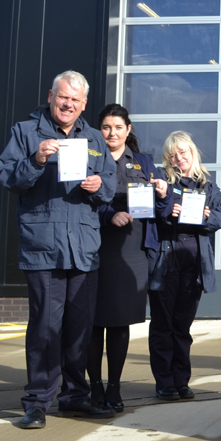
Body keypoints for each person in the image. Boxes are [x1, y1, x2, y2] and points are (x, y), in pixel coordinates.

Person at [0, 70, 117, 429]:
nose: (69, 105)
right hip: (43, 246)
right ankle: (37, 401)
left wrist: (98, 185)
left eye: (76, 101)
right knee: (45, 327)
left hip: (83, 246)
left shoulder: (94, 137)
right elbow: (7, 177)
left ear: (83, 104)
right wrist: (35, 160)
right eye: (63, 97)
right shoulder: (25, 131)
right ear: (51, 95)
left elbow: (110, 184)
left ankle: (75, 396)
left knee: (79, 328)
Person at [87, 104, 169, 411]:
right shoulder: (90, 158)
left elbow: (161, 211)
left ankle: (114, 387)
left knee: (120, 322)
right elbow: (76, 200)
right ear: (99, 130)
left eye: (118, 127)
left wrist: (162, 194)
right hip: (96, 246)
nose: (112, 133)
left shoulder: (144, 162)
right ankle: (95, 387)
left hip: (133, 250)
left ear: (128, 130)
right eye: (106, 127)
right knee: (94, 322)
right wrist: (109, 215)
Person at [148, 131, 221, 402]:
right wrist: (166, 208)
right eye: (173, 154)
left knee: (182, 326)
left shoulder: (208, 186)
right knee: (163, 325)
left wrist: (208, 217)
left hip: (195, 266)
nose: (178, 158)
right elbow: (147, 214)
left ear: (193, 154)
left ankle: (182, 381)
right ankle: (164, 382)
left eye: (183, 153)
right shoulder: (161, 183)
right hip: (165, 264)